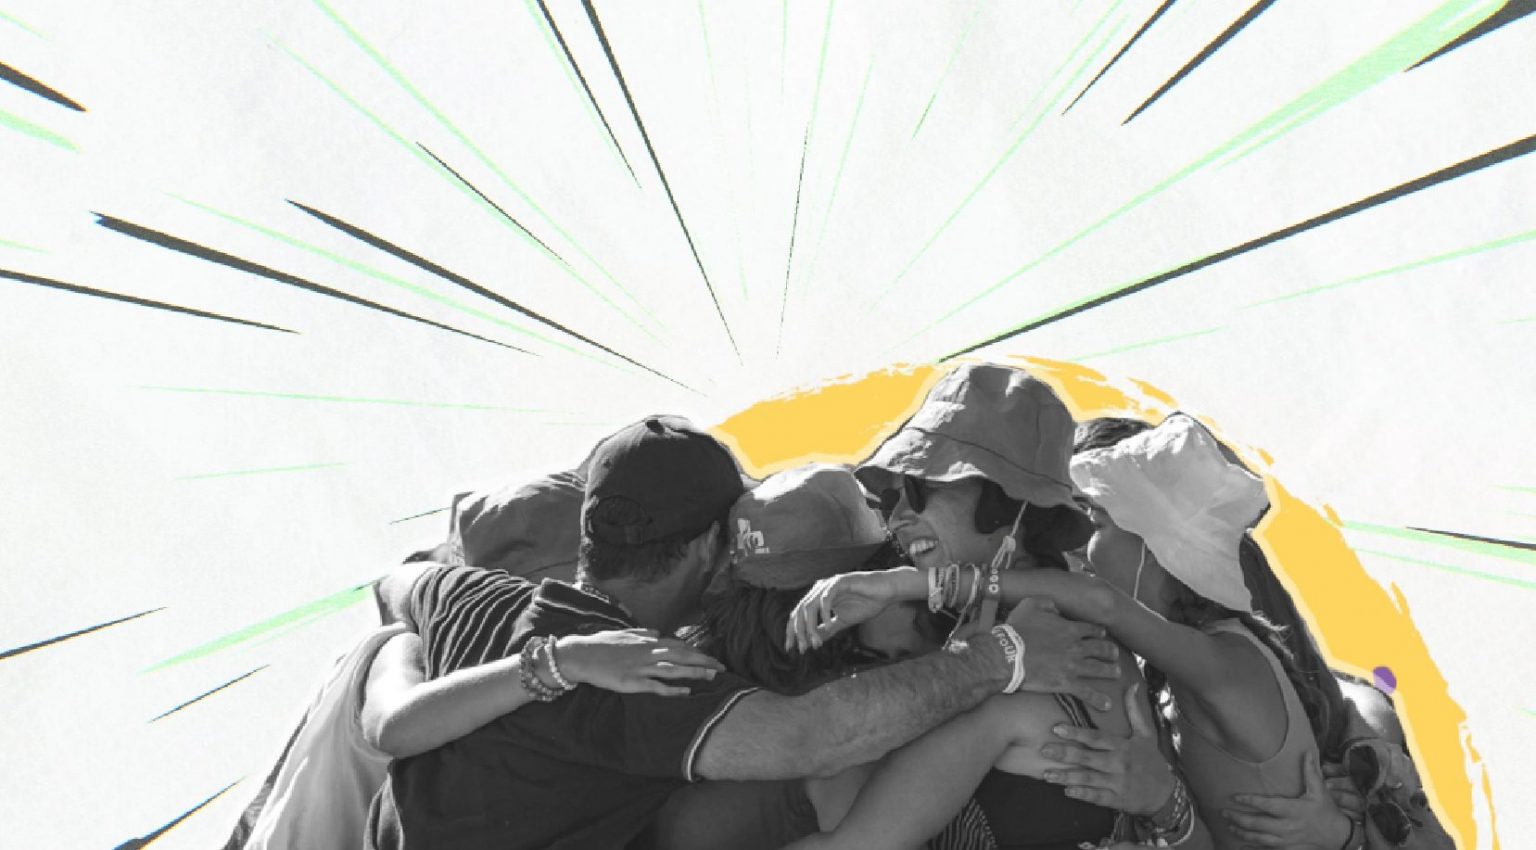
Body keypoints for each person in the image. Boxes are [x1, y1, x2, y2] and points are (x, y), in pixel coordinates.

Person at [364, 414, 1122, 850]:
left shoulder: (473, 594)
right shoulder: (649, 678)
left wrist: (403, 656)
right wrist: (997, 659)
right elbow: (810, 738)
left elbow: (395, 584)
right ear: (709, 549)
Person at [779, 365, 1198, 849]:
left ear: (1003, 503)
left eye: (919, 489)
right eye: (891, 497)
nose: (897, 518)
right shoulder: (1082, 636)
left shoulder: (1016, 674)